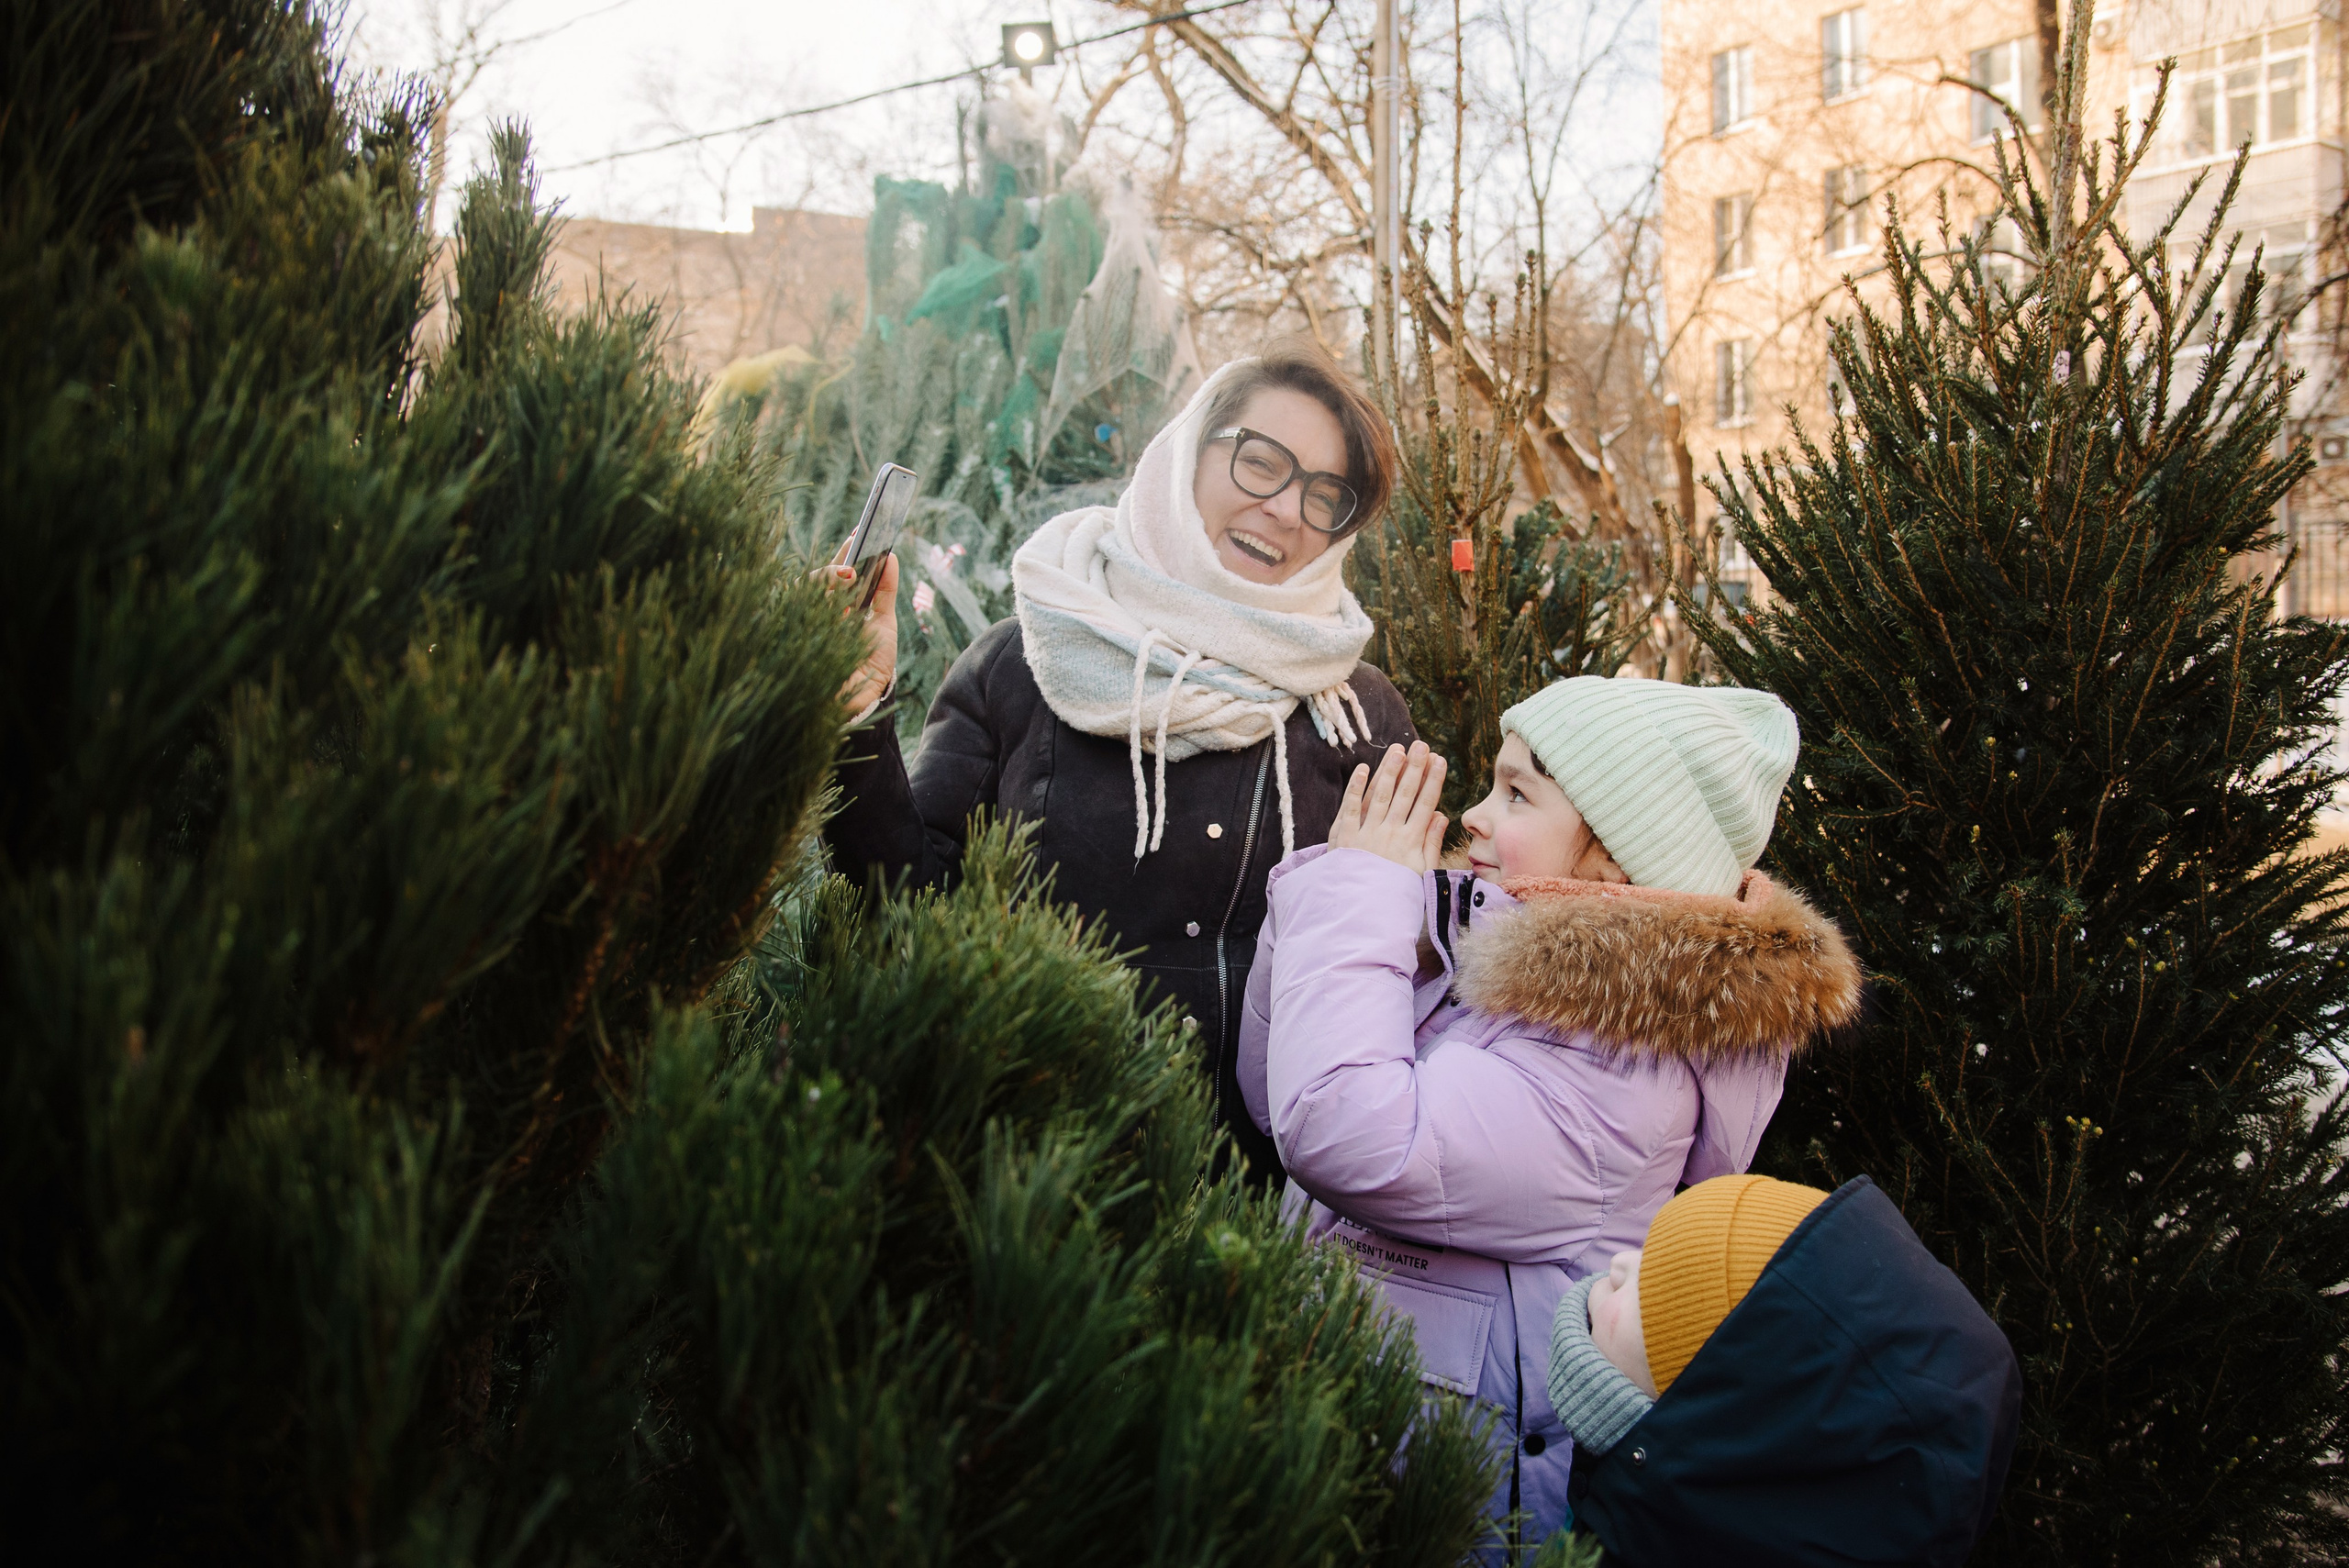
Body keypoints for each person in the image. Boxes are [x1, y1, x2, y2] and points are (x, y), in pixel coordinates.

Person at [1235, 676, 1864, 1551]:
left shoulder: (1618, 1068)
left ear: (1614, 859)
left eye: (1519, 793)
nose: (1477, 816)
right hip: (1351, 1438)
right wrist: (1357, 908)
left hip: (1440, 1503)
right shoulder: (1484, 966)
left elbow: (1343, 1133)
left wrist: (1360, 897)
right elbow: (1278, 1094)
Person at [825, 343, 1415, 1181]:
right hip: (1023, 1189)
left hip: (1260, 1235)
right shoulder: (1027, 664)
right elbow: (905, 904)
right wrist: (858, 719)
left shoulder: (1356, 711)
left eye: (1325, 495)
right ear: (1188, 451)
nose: (1286, 508)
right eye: (1261, 462)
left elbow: (1397, 983)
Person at [1547, 1173, 2022, 1566]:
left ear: (1692, 1421)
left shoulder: (1638, 1517)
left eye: (1657, 1289)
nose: (1621, 1264)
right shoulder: (1626, 1502)